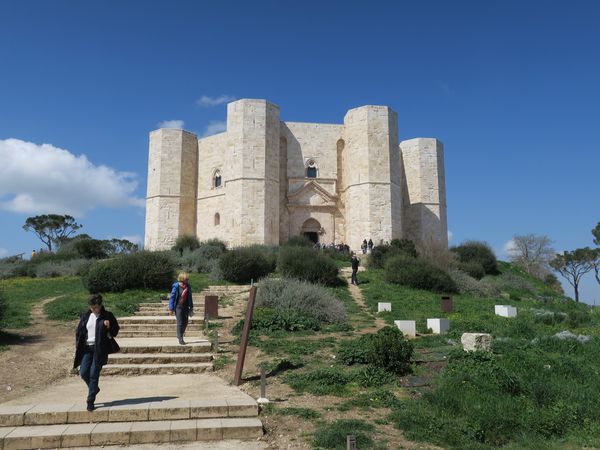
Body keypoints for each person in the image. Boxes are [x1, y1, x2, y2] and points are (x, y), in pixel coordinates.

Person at [73, 294, 120, 411]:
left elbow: (115, 331)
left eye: (95, 307)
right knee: (83, 372)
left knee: (94, 374)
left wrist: (109, 327)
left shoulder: (107, 316)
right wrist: (78, 345)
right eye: (91, 307)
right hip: (87, 349)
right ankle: (94, 389)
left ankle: (90, 401)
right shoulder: (86, 316)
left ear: (100, 305)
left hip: (100, 350)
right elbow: (79, 332)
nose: (93, 310)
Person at [169, 272, 194, 345]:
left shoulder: (188, 286)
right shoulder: (176, 286)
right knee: (180, 323)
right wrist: (171, 307)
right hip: (178, 307)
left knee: (185, 322)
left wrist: (191, 307)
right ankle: (181, 338)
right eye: (187, 279)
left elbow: (190, 297)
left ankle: (179, 334)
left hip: (186, 307)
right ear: (182, 279)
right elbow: (172, 297)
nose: (188, 280)